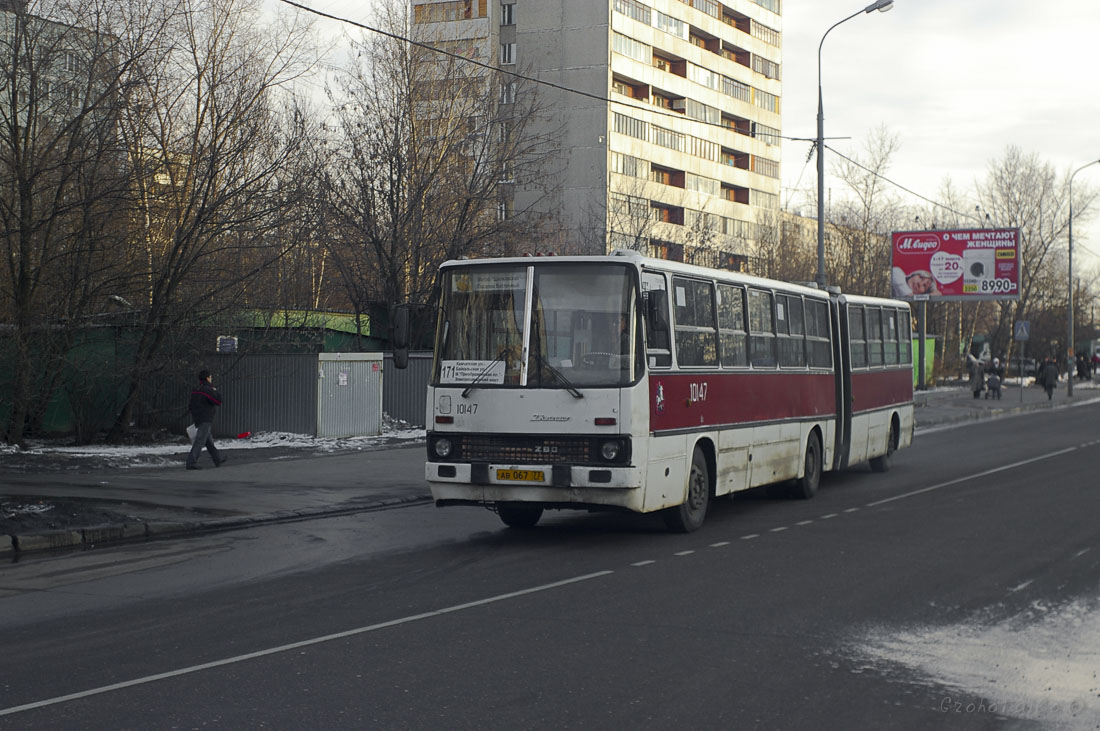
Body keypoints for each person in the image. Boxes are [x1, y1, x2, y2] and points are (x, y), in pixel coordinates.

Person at [186, 369, 226, 470]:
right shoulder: (208, 390)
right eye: (211, 377)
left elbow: (190, 405)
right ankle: (191, 462)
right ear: (208, 378)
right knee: (200, 440)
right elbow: (218, 401)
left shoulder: (196, 389)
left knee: (208, 441)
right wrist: (214, 390)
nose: (211, 379)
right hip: (206, 418)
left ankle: (217, 459)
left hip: (198, 418)